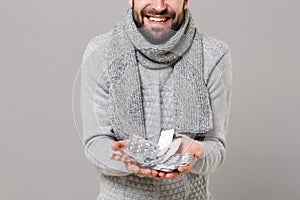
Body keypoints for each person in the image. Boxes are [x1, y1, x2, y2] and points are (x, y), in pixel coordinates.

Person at [80, 0, 232, 199]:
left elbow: (216, 146)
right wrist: (125, 161)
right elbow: (94, 143)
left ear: (185, 1)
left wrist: (195, 154)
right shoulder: (101, 51)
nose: (159, 6)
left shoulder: (214, 54)